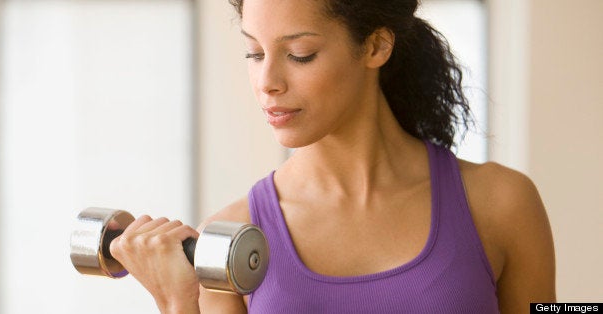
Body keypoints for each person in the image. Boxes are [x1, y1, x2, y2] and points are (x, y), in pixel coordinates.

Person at [109, 0, 556, 313]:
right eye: (254, 52)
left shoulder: (502, 202)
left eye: (300, 54)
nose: (267, 81)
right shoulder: (228, 237)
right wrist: (175, 303)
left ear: (376, 46)